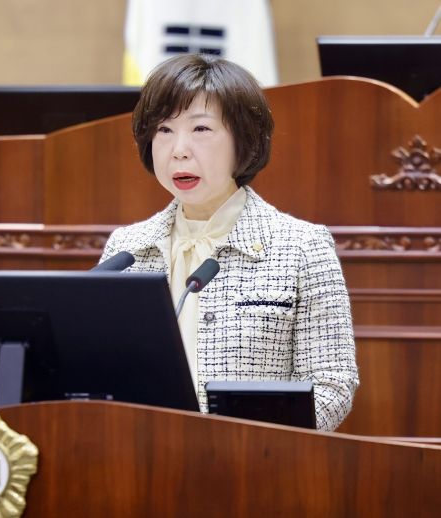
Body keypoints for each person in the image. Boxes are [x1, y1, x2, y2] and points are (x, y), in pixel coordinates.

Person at [100, 54, 358, 431]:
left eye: (201, 129)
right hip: (142, 454)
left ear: (243, 139)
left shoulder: (302, 246)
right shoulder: (126, 250)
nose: (179, 149)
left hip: (254, 460)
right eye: (164, 130)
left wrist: (255, 445)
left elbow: (333, 384)